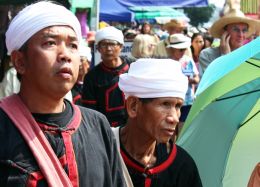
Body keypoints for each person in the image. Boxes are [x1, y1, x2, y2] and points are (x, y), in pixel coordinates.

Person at [0, 2, 126, 186]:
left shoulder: (98, 125)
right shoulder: (4, 127)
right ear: (19, 61)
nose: (65, 55)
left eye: (73, 45)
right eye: (50, 43)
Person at [114, 58, 202, 187]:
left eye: (178, 106)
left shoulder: (182, 165)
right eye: (165, 104)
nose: (175, 118)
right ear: (133, 106)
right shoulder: (103, 152)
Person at [81, 26, 135, 127]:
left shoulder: (134, 68)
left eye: (112, 44)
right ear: (98, 48)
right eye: (104, 44)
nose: (108, 49)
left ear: (121, 46)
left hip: (133, 126)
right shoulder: (92, 77)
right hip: (106, 129)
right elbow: (90, 111)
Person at [199, 9, 257, 76]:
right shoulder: (207, 55)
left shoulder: (250, 56)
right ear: (224, 33)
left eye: (244, 30)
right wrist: (226, 56)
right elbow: (211, 83)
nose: (241, 35)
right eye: (236, 30)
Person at [166, 34, 200, 136]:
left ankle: (177, 151)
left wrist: (191, 80)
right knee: (170, 132)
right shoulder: (167, 63)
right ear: (172, 49)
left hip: (187, 101)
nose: (183, 52)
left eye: (184, 49)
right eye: (180, 49)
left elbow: (197, 78)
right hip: (171, 101)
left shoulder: (188, 60)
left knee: (182, 132)